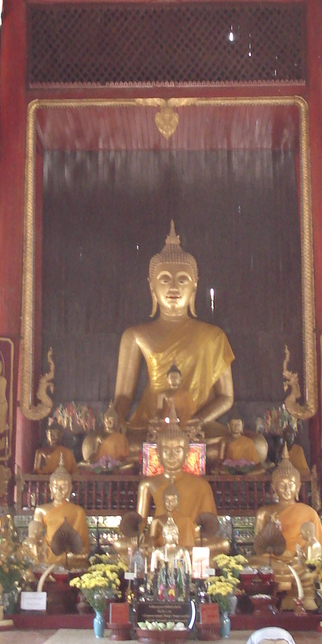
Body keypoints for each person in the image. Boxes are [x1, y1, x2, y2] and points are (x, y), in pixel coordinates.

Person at [113, 222, 235, 432]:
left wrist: (199, 420)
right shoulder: (135, 336)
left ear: (194, 286)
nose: (173, 287)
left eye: (182, 280)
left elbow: (226, 397)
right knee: (92, 445)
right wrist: (113, 418)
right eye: (165, 279)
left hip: (198, 427)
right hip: (151, 427)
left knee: (256, 446)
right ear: (152, 286)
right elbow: (123, 397)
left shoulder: (213, 336)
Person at [136, 405, 228, 555]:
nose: (172, 456)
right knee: (126, 545)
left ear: (186, 455)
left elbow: (209, 526)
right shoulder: (147, 484)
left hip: (191, 540)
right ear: (158, 454)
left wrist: (190, 530)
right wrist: (141, 540)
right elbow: (138, 526)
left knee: (222, 544)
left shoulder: (201, 485)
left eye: (177, 450)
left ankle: (183, 554)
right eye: (166, 451)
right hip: (159, 541)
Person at [255, 451, 322, 555]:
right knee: (254, 562)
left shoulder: (309, 513)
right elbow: (259, 548)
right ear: (274, 488)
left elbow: (319, 550)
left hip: (298, 561)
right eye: (281, 485)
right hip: (273, 560)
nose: (287, 489)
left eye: (291, 484)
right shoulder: (264, 513)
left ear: (298, 488)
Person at [26, 464, 90, 566]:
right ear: (50, 488)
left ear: (70, 488)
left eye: (63, 487)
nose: (59, 491)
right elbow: (34, 532)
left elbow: (83, 546)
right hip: (47, 555)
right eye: (56, 487)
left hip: (69, 556)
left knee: (77, 558)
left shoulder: (78, 511)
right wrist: (31, 539)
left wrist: (75, 552)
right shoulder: (41, 510)